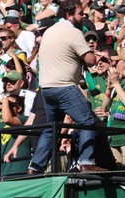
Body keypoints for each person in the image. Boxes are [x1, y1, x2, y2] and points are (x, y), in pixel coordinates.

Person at [28, 0, 104, 174]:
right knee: (87, 121)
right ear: (69, 15)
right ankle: (86, 162)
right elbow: (91, 61)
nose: (83, 16)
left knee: (51, 128)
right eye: (80, 13)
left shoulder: (49, 31)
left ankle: (35, 166)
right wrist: (92, 52)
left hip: (46, 89)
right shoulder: (73, 33)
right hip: (64, 86)